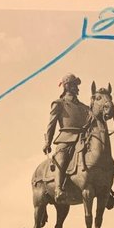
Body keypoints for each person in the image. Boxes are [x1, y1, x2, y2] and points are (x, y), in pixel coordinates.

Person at [44, 73, 91, 202]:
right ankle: (58, 189)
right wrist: (48, 142)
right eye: (74, 85)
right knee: (62, 157)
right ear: (67, 86)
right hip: (67, 138)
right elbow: (51, 124)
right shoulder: (59, 103)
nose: (77, 87)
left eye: (76, 85)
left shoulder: (84, 107)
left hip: (83, 138)